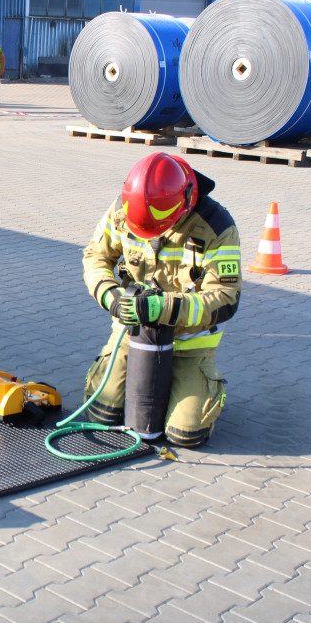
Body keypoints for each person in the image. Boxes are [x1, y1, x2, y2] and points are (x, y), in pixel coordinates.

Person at [82, 153, 241, 448]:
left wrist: (164, 308)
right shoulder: (123, 209)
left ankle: (205, 391)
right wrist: (111, 296)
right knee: (102, 412)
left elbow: (225, 299)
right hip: (133, 335)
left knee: (186, 433)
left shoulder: (216, 227)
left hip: (187, 342)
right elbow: (96, 257)